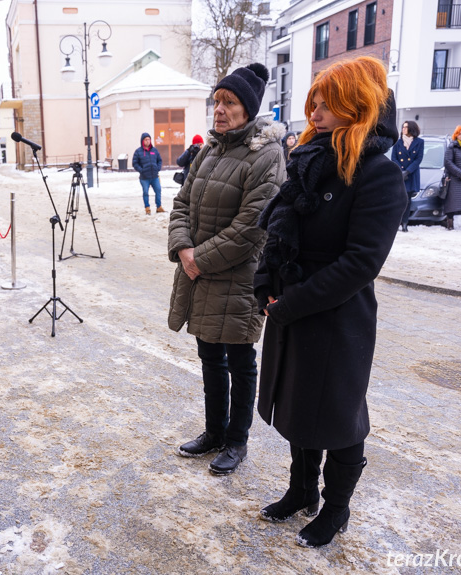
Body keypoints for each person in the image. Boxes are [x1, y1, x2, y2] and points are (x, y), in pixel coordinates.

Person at [255, 56, 406, 548]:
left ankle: (336, 507)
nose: (314, 116)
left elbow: (362, 262)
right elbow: (280, 231)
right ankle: (302, 490)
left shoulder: (378, 174)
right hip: (292, 302)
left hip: (336, 314)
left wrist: (292, 303)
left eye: (326, 106)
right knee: (298, 404)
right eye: (312, 105)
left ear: (355, 106)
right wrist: (265, 283)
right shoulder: (308, 161)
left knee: (339, 415)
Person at [169, 63, 286, 476]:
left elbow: (252, 228)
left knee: (239, 360)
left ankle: (237, 441)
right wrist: (184, 248)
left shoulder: (267, 156)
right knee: (209, 357)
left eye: (229, 102)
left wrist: (198, 258)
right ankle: (214, 431)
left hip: (237, 279)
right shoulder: (210, 149)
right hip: (199, 271)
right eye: (217, 100)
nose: (219, 109)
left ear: (248, 109)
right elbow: (182, 203)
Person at [390, 120, 424, 232]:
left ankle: (405, 222)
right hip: (399, 174)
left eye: (406, 127)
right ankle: (396, 222)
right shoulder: (398, 142)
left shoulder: (419, 142)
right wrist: (401, 170)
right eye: (403, 127)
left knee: (408, 200)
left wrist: (408, 171)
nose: (403, 129)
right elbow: (394, 158)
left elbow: (418, 159)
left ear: (412, 129)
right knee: (397, 200)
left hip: (411, 175)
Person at [133, 132, 163, 214]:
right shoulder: (138, 151)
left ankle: (159, 207)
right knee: (145, 192)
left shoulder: (154, 150)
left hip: (154, 176)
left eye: (149, 139)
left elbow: (159, 160)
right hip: (144, 177)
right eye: (146, 140)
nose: (148, 141)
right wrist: (141, 170)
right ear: (142, 141)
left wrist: (158, 168)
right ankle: (147, 208)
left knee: (158, 190)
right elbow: (135, 163)